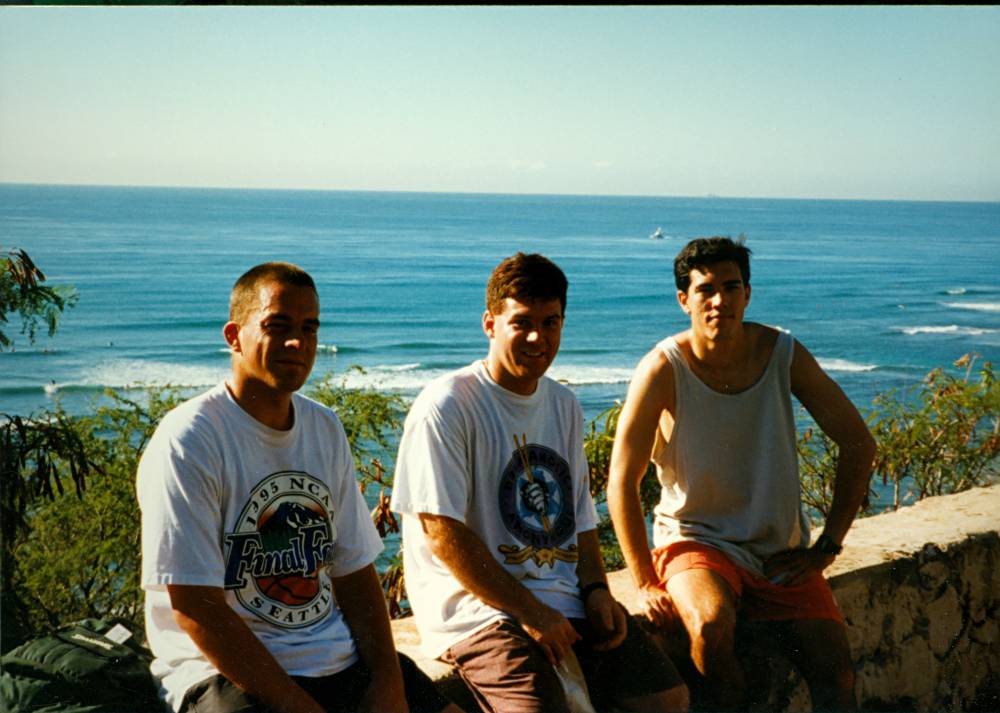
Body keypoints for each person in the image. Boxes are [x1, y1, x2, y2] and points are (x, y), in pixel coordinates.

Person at [137, 262, 460, 713]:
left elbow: (353, 572)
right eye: (278, 326)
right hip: (224, 674)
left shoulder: (322, 427)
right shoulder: (190, 439)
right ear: (234, 336)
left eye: (309, 329)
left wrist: (389, 681)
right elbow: (196, 606)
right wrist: (298, 706)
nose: (297, 343)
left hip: (333, 659)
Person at [390, 253, 689, 713]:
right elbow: (440, 531)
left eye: (551, 323)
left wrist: (595, 590)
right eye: (522, 323)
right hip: (477, 609)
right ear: (490, 324)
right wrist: (530, 611)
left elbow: (580, 516)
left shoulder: (563, 404)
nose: (538, 338)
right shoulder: (448, 406)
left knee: (665, 698)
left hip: (561, 598)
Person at [607, 237, 877, 711]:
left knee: (837, 673)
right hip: (695, 539)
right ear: (683, 300)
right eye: (706, 289)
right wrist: (645, 582)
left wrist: (828, 546)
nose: (720, 301)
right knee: (710, 628)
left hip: (778, 552)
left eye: (732, 287)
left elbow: (858, 443)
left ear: (747, 295)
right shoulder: (663, 369)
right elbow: (621, 482)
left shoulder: (782, 353)